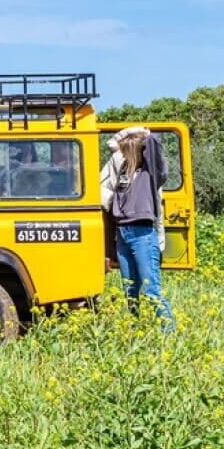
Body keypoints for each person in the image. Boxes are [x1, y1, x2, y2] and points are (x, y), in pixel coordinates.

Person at [99, 127, 174, 330]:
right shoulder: (122, 170)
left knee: (151, 290)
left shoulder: (151, 173)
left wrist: (144, 132)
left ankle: (169, 332)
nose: (122, 153)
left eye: (127, 150)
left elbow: (154, 144)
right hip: (122, 233)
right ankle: (135, 331)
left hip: (143, 234)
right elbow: (112, 143)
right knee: (130, 291)